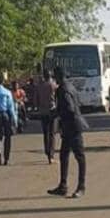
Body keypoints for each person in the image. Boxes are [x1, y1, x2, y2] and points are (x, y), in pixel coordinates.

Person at [48, 66, 87, 198]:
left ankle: (81, 187)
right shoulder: (70, 86)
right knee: (64, 155)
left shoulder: (63, 90)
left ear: (59, 76)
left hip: (72, 126)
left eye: (55, 76)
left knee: (79, 156)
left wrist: (56, 114)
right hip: (70, 126)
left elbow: (69, 108)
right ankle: (63, 185)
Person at [33, 70, 57, 163]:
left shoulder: (39, 86)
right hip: (52, 110)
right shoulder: (53, 85)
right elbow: (57, 97)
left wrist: (38, 107)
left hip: (43, 111)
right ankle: (51, 154)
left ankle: (47, 152)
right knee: (52, 133)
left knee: (45, 133)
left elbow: (35, 100)